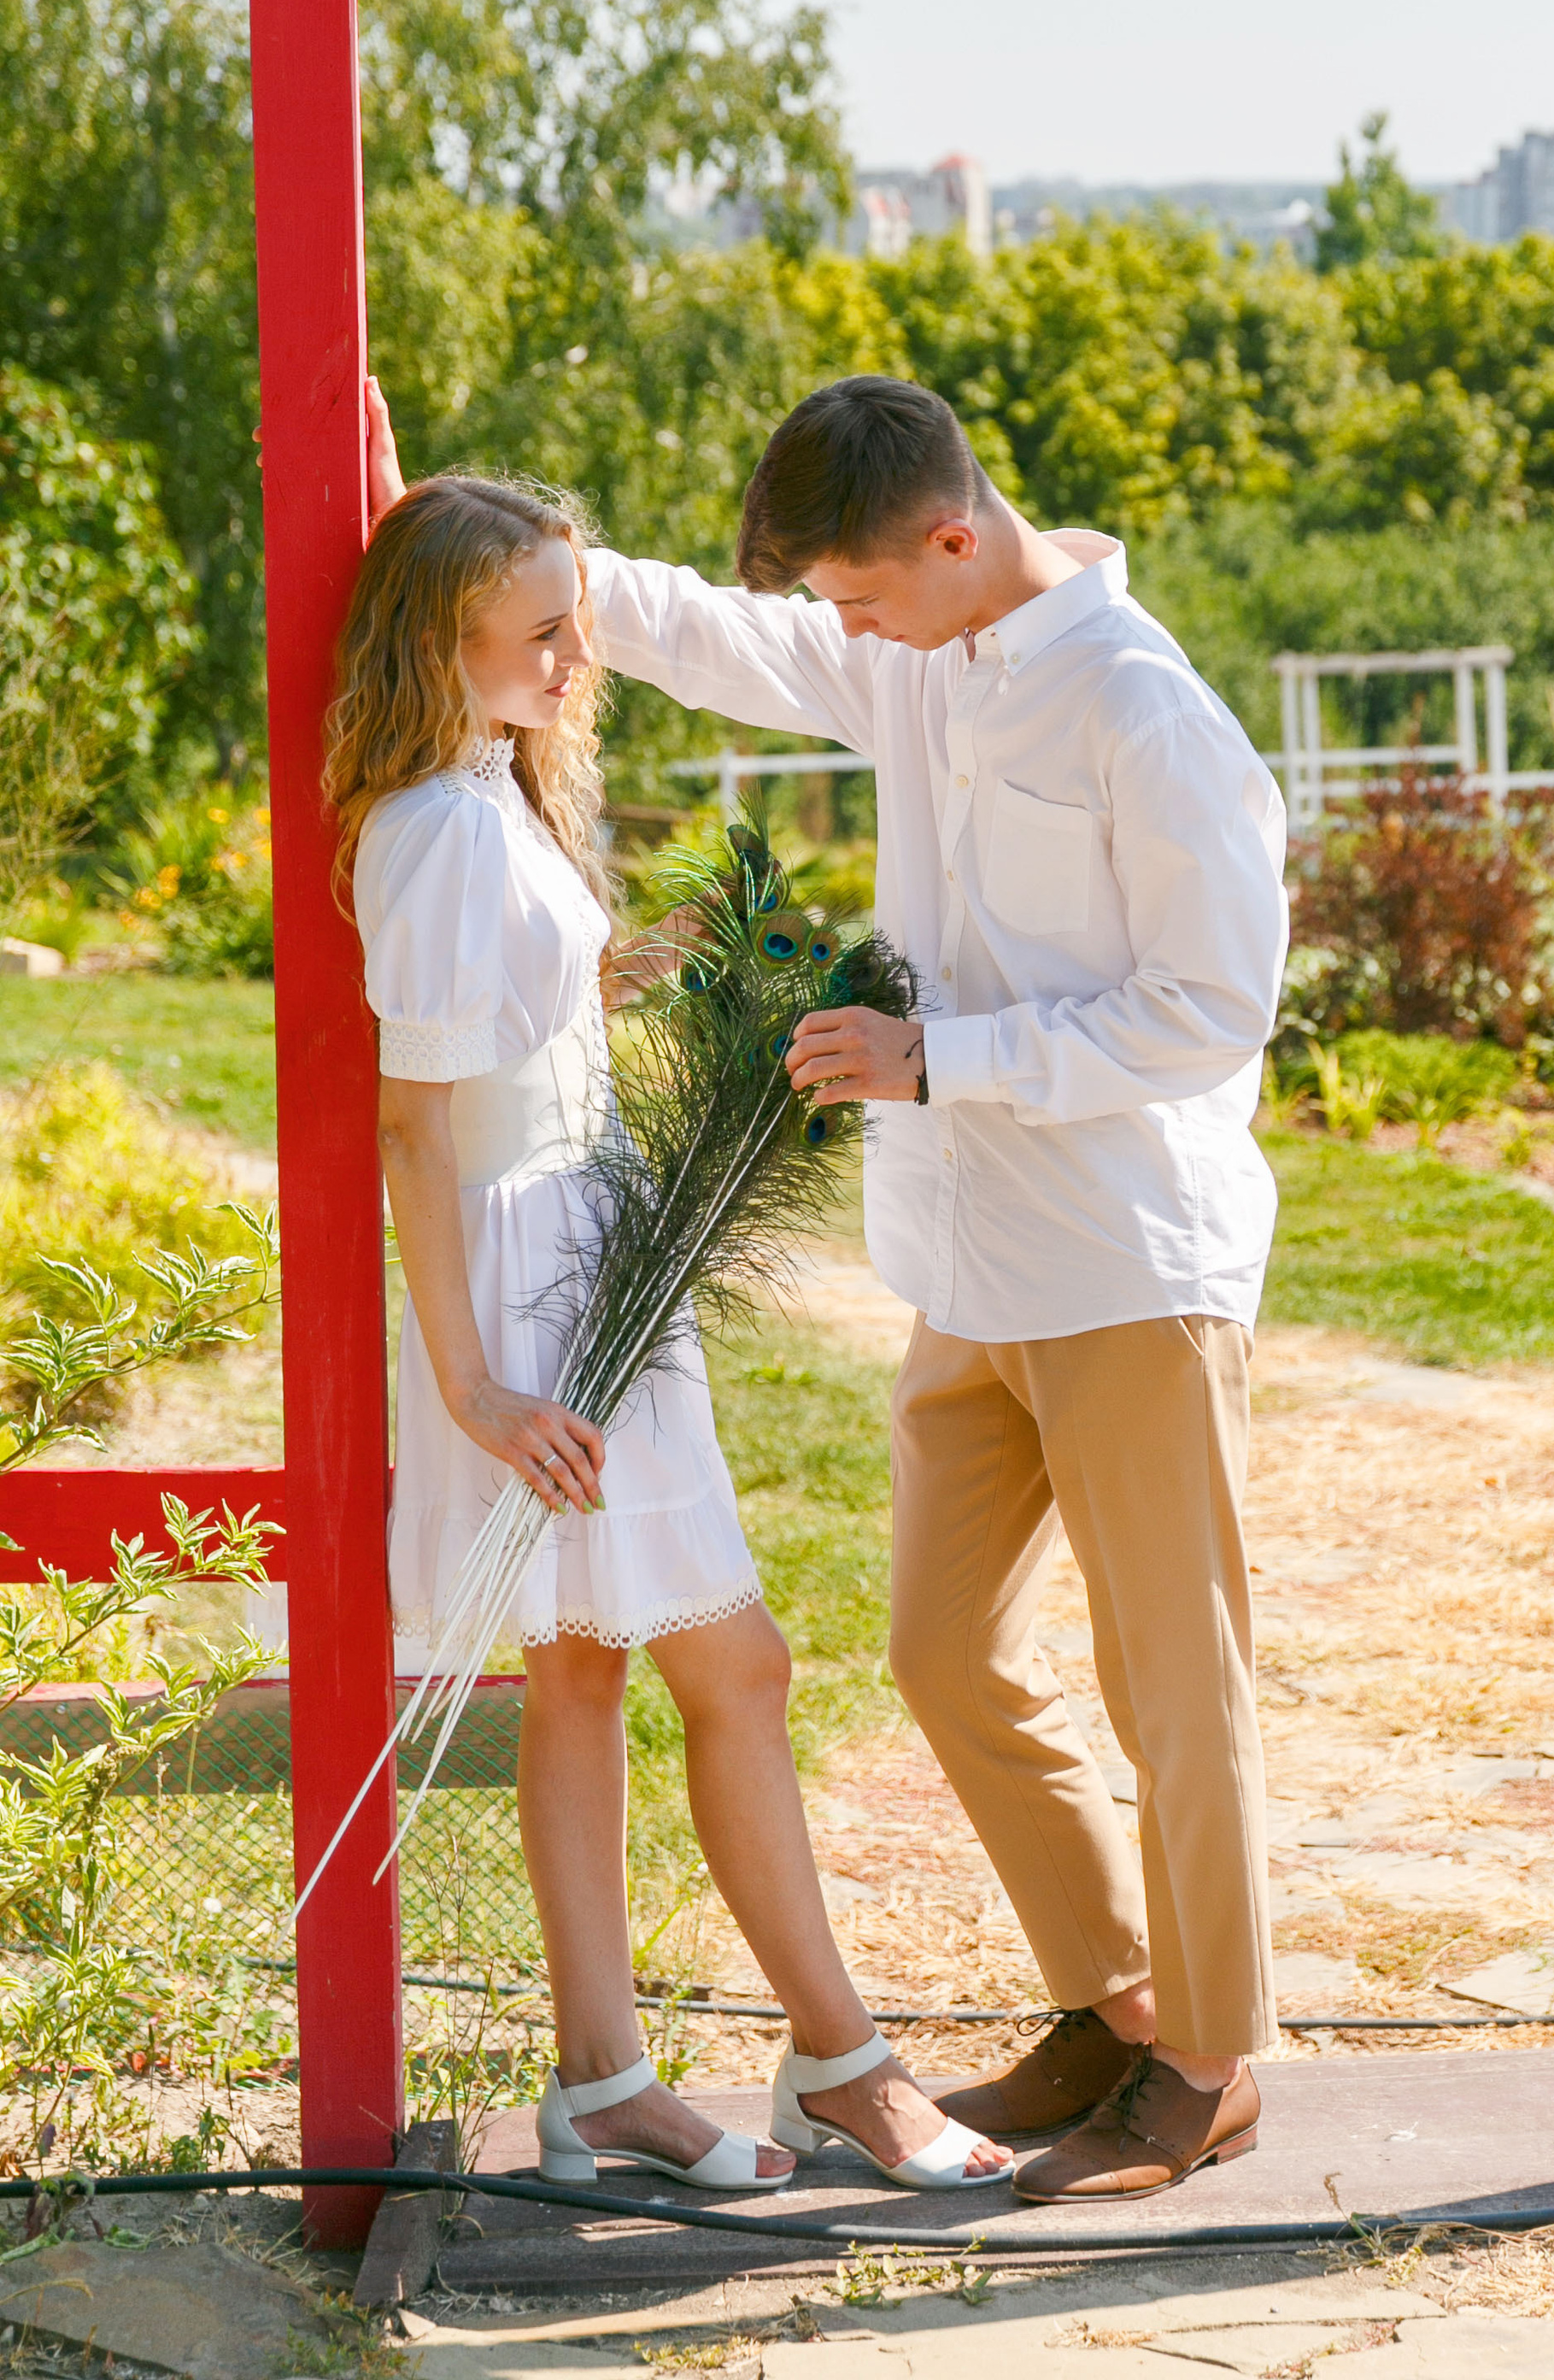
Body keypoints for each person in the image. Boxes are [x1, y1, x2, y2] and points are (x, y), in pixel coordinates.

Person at [366, 373, 1289, 2205]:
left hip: (1125, 1260)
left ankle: (1208, 2061)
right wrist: (449, 541)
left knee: (1172, 1681)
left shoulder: (1144, 711)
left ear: (952, 539)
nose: (840, 636)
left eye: (857, 597)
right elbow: (712, 633)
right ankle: (1110, 2000)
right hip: (974, 1267)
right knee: (945, 1660)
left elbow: (1212, 1010)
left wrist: (941, 1059)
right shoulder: (924, 655)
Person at [325, 468, 1008, 2194]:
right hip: (544, 1304)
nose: (577, 657)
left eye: (573, 623)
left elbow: (510, 1015)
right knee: (740, 1663)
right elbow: (409, 1126)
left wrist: (634, 966)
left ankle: (601, 2084)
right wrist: (476, 1386)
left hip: (580, 1247)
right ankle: (843, 2066)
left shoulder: (483, 799)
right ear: (442, 640)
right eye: (541, 631)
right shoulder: (429, 829)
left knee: (584, 1671)